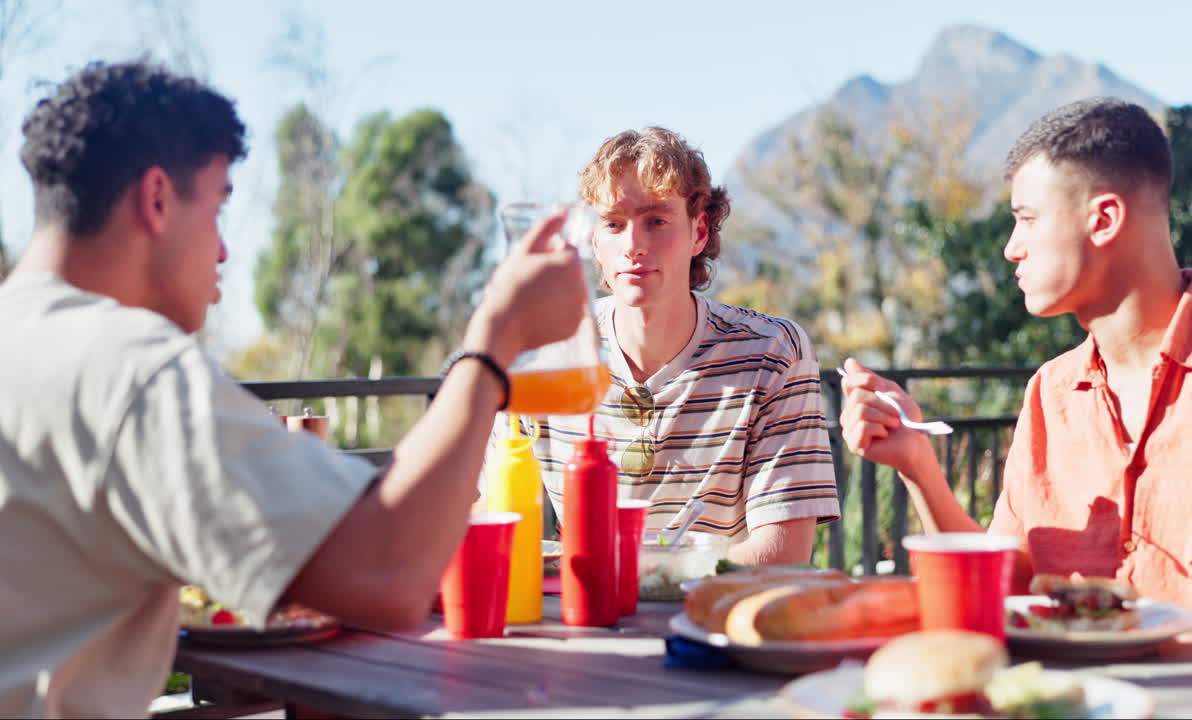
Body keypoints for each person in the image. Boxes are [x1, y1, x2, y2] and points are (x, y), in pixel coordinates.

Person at [0, 60, 588, 717]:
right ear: (157, 199)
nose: (224, 251)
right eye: (218, 207)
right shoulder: (130, 370)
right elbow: (389, 573)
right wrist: (494, 342)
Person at [838, 98, 1192, 644]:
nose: (1011, 248)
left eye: (1027, 219)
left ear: (1104, 219)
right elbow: (1006, 592)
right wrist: (917, 464)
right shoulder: (1051, 392)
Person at [515, 127, 840, 566]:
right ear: (594, 240)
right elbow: (490, 520)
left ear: (699, 232)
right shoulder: (540, 352)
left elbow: (782, 553)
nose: (633, 246)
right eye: (613, 224)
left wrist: (637, 574)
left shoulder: (773, 353)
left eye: (656, 221)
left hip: (715, 606)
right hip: (578, 604)